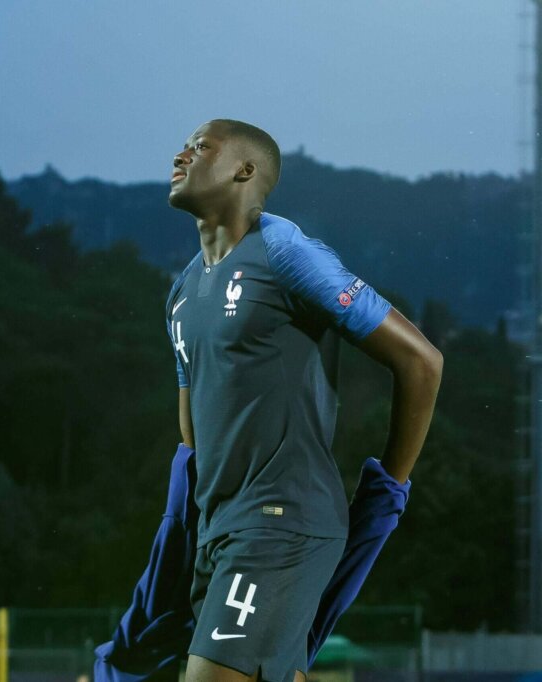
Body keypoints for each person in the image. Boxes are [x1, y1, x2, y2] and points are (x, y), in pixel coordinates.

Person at [100, 120, 442, 682]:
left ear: (244, 170)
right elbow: (192, 433)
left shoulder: (284, 250)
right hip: (221, 534)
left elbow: (422, 361)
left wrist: (387, 492)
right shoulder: (181, 294)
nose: (182, 153)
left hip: (280, 526)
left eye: (202, 145)